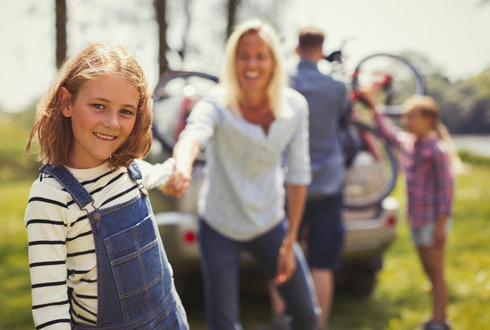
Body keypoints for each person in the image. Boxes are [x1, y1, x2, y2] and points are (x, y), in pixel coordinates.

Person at [163, 19, 319, 330]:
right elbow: (194, 134)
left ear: (273, 61)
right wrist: (182, 164)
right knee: (223, 323)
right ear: (232, 61)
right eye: (243, 56)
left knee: (306, 315)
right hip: (220, 225)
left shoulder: (295, 107)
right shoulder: (217, 104)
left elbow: (298, 175)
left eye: (260, 56)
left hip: (270, 224)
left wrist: (289, 242)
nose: (251, 64)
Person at [24, 43, 188, 329]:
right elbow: (50, 310)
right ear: (66, 103)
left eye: (126, 111)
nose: (112, 123)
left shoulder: (130, 170)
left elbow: (164, 173)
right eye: (99, 106)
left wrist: (181, 167)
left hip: (169, 317)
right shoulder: (51, 198)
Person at [267, 27, 348, 330]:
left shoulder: (282, 83)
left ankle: (280, 321)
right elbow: (344, 117)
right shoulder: (337, 87)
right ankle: (319, 325)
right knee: (322, 263)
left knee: (282, 253)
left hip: (288, 184)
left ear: (296, 49)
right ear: (322, 48)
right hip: (328, 183)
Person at [360, 91, 456, 330]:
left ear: (429, 119)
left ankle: (439, 320)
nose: (406, 122)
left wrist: (441, 226)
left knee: (436, 272)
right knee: (428, 271)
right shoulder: (410, 144)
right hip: (418, 219)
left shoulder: (437, 150)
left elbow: (446, 191)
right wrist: (374, 106)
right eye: (405, 117)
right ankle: (438, 315)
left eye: (412, 117)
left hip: (434, 221)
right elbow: (388, 133)